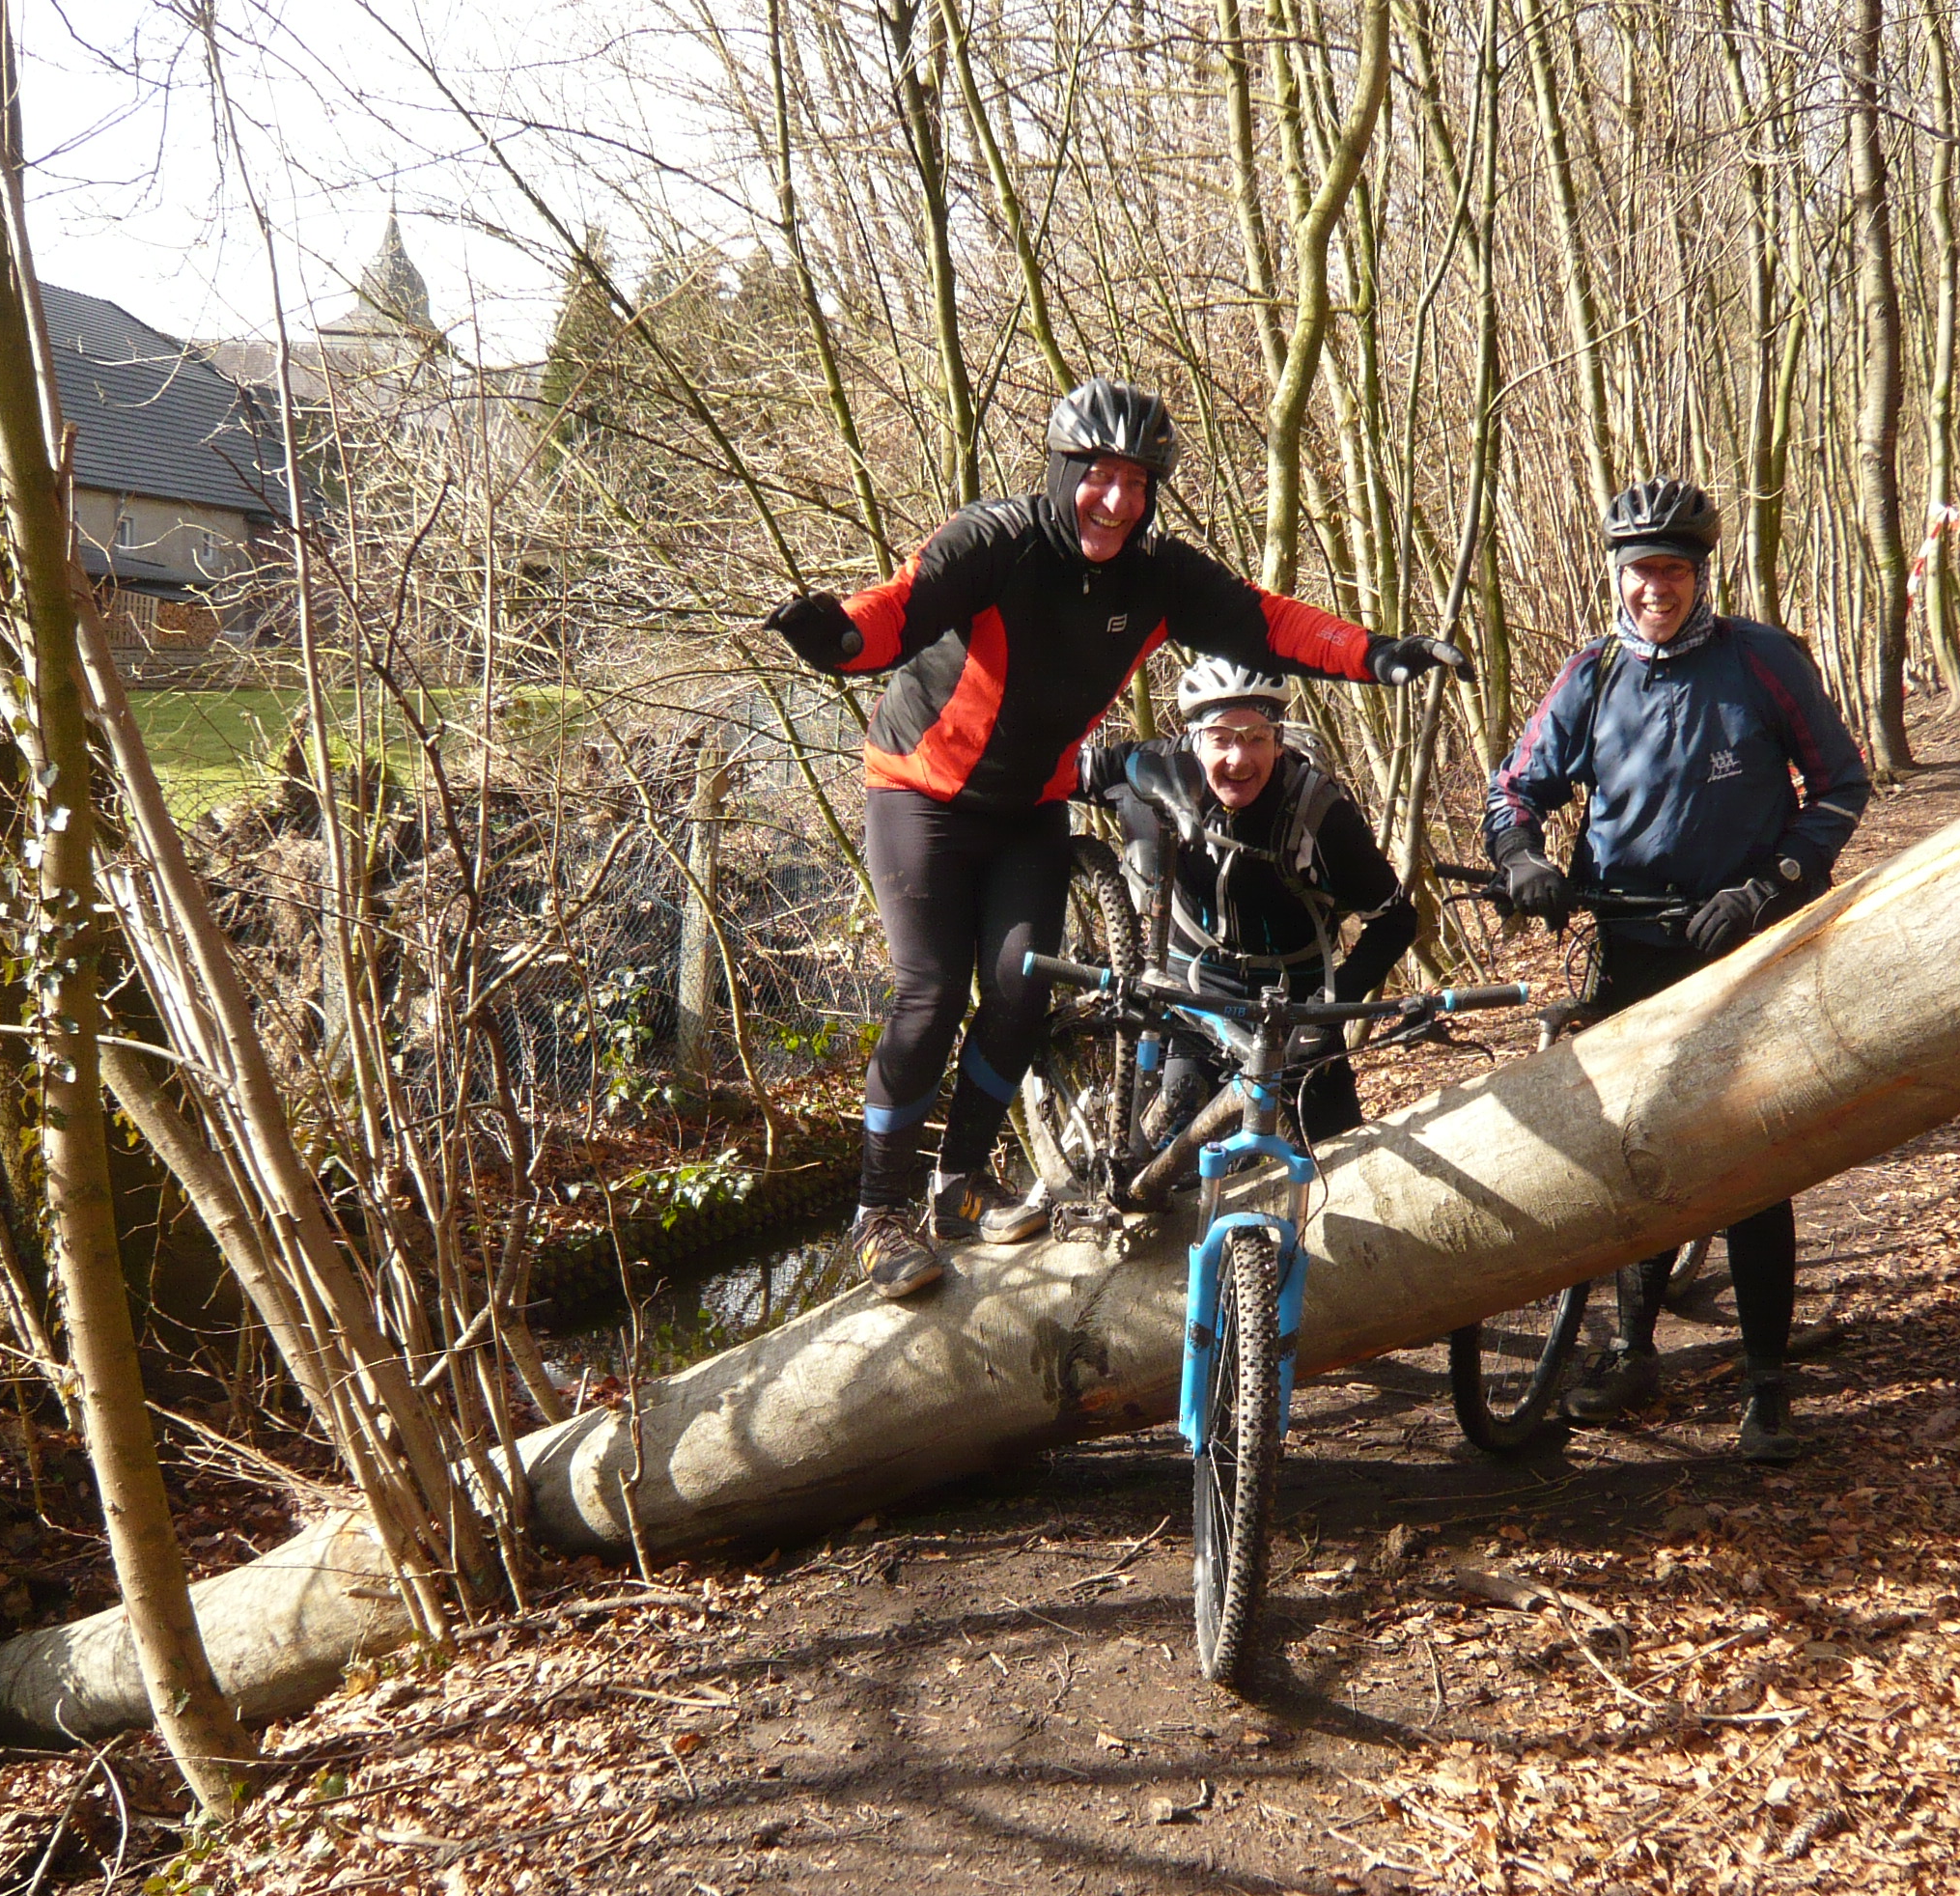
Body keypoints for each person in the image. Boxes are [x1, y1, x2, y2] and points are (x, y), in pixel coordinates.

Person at [765, 377, 1470, 1299]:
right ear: (1063, 471)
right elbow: (898, 608)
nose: (1117, 500)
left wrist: (1376, 654)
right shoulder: (994, 541)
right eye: (1099, 475)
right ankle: (878, 1211)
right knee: (929, 994)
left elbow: (1268, 621)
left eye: (1138, 483)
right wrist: (838, 640)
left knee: (1021, 989)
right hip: (921, 793)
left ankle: (958, 1185)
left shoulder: (1156, 577)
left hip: (1031, 806)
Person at [1482, 476, 1870, 1460]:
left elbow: (1840, 785)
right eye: (1638, 570)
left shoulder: (1761, 660)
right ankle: (1633, 1348)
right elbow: (1516, 786)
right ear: (1617, 576)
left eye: (1673, 569)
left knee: (1750, 1159)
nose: (1654, 587)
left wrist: (1768, 886)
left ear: (1700, 574)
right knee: (1636, 1146)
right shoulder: (1596, 673)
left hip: (1742, 942)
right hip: (1631, 942)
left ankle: (1766, 1383)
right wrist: (1522, 858)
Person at [1078, 655, 1417, 1150]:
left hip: (1295, 1004)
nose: (1239, 760)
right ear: (1194, 738)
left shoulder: (1318, 811)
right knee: (1174, 1158)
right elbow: (1052, 773)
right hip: (1194, 1000)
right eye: (1221, 738)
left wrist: (1328, 1010)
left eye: (1257, 738)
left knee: (1334, 1159)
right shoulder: (1152, 771)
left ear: (1279, 741)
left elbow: (1396, 920)